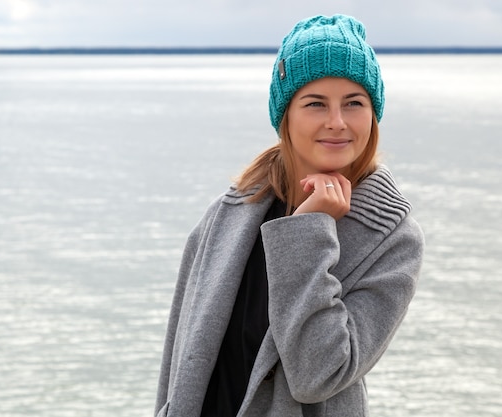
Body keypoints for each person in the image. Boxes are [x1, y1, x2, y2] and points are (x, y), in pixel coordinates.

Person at [154, 14, 424, 417]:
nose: (337, 122)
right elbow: (178, 361)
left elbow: (317, 375)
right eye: (315, 103)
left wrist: (307, 232)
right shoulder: (228, 214)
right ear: (286, 115)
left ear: (373, 114)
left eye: (354, 103)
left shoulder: (392, 238)